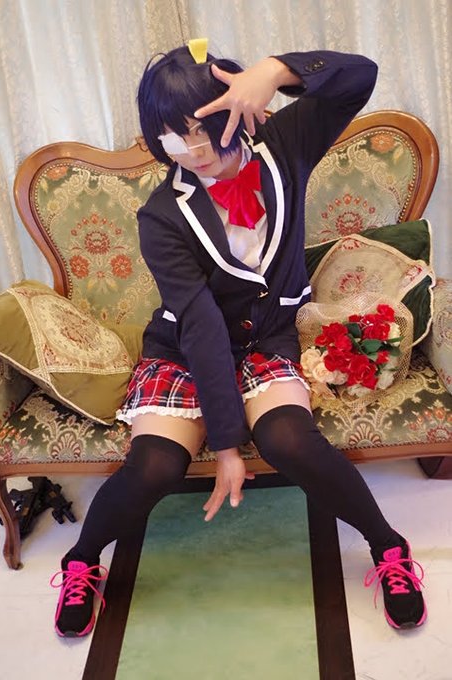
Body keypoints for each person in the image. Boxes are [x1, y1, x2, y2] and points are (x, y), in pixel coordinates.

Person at [50, 41, 426, 638]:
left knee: (289, 440)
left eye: (203, 129)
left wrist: (276, 71)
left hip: (267, 338)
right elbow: (199, 324)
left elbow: (360, 77)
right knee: (155, 465)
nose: (193, 150)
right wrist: (225, 445)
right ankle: (81, 561)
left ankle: (389, 547)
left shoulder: (285, 144)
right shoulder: (161, 216)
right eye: (174, 136)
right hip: (185, 348)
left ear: (236, 107)